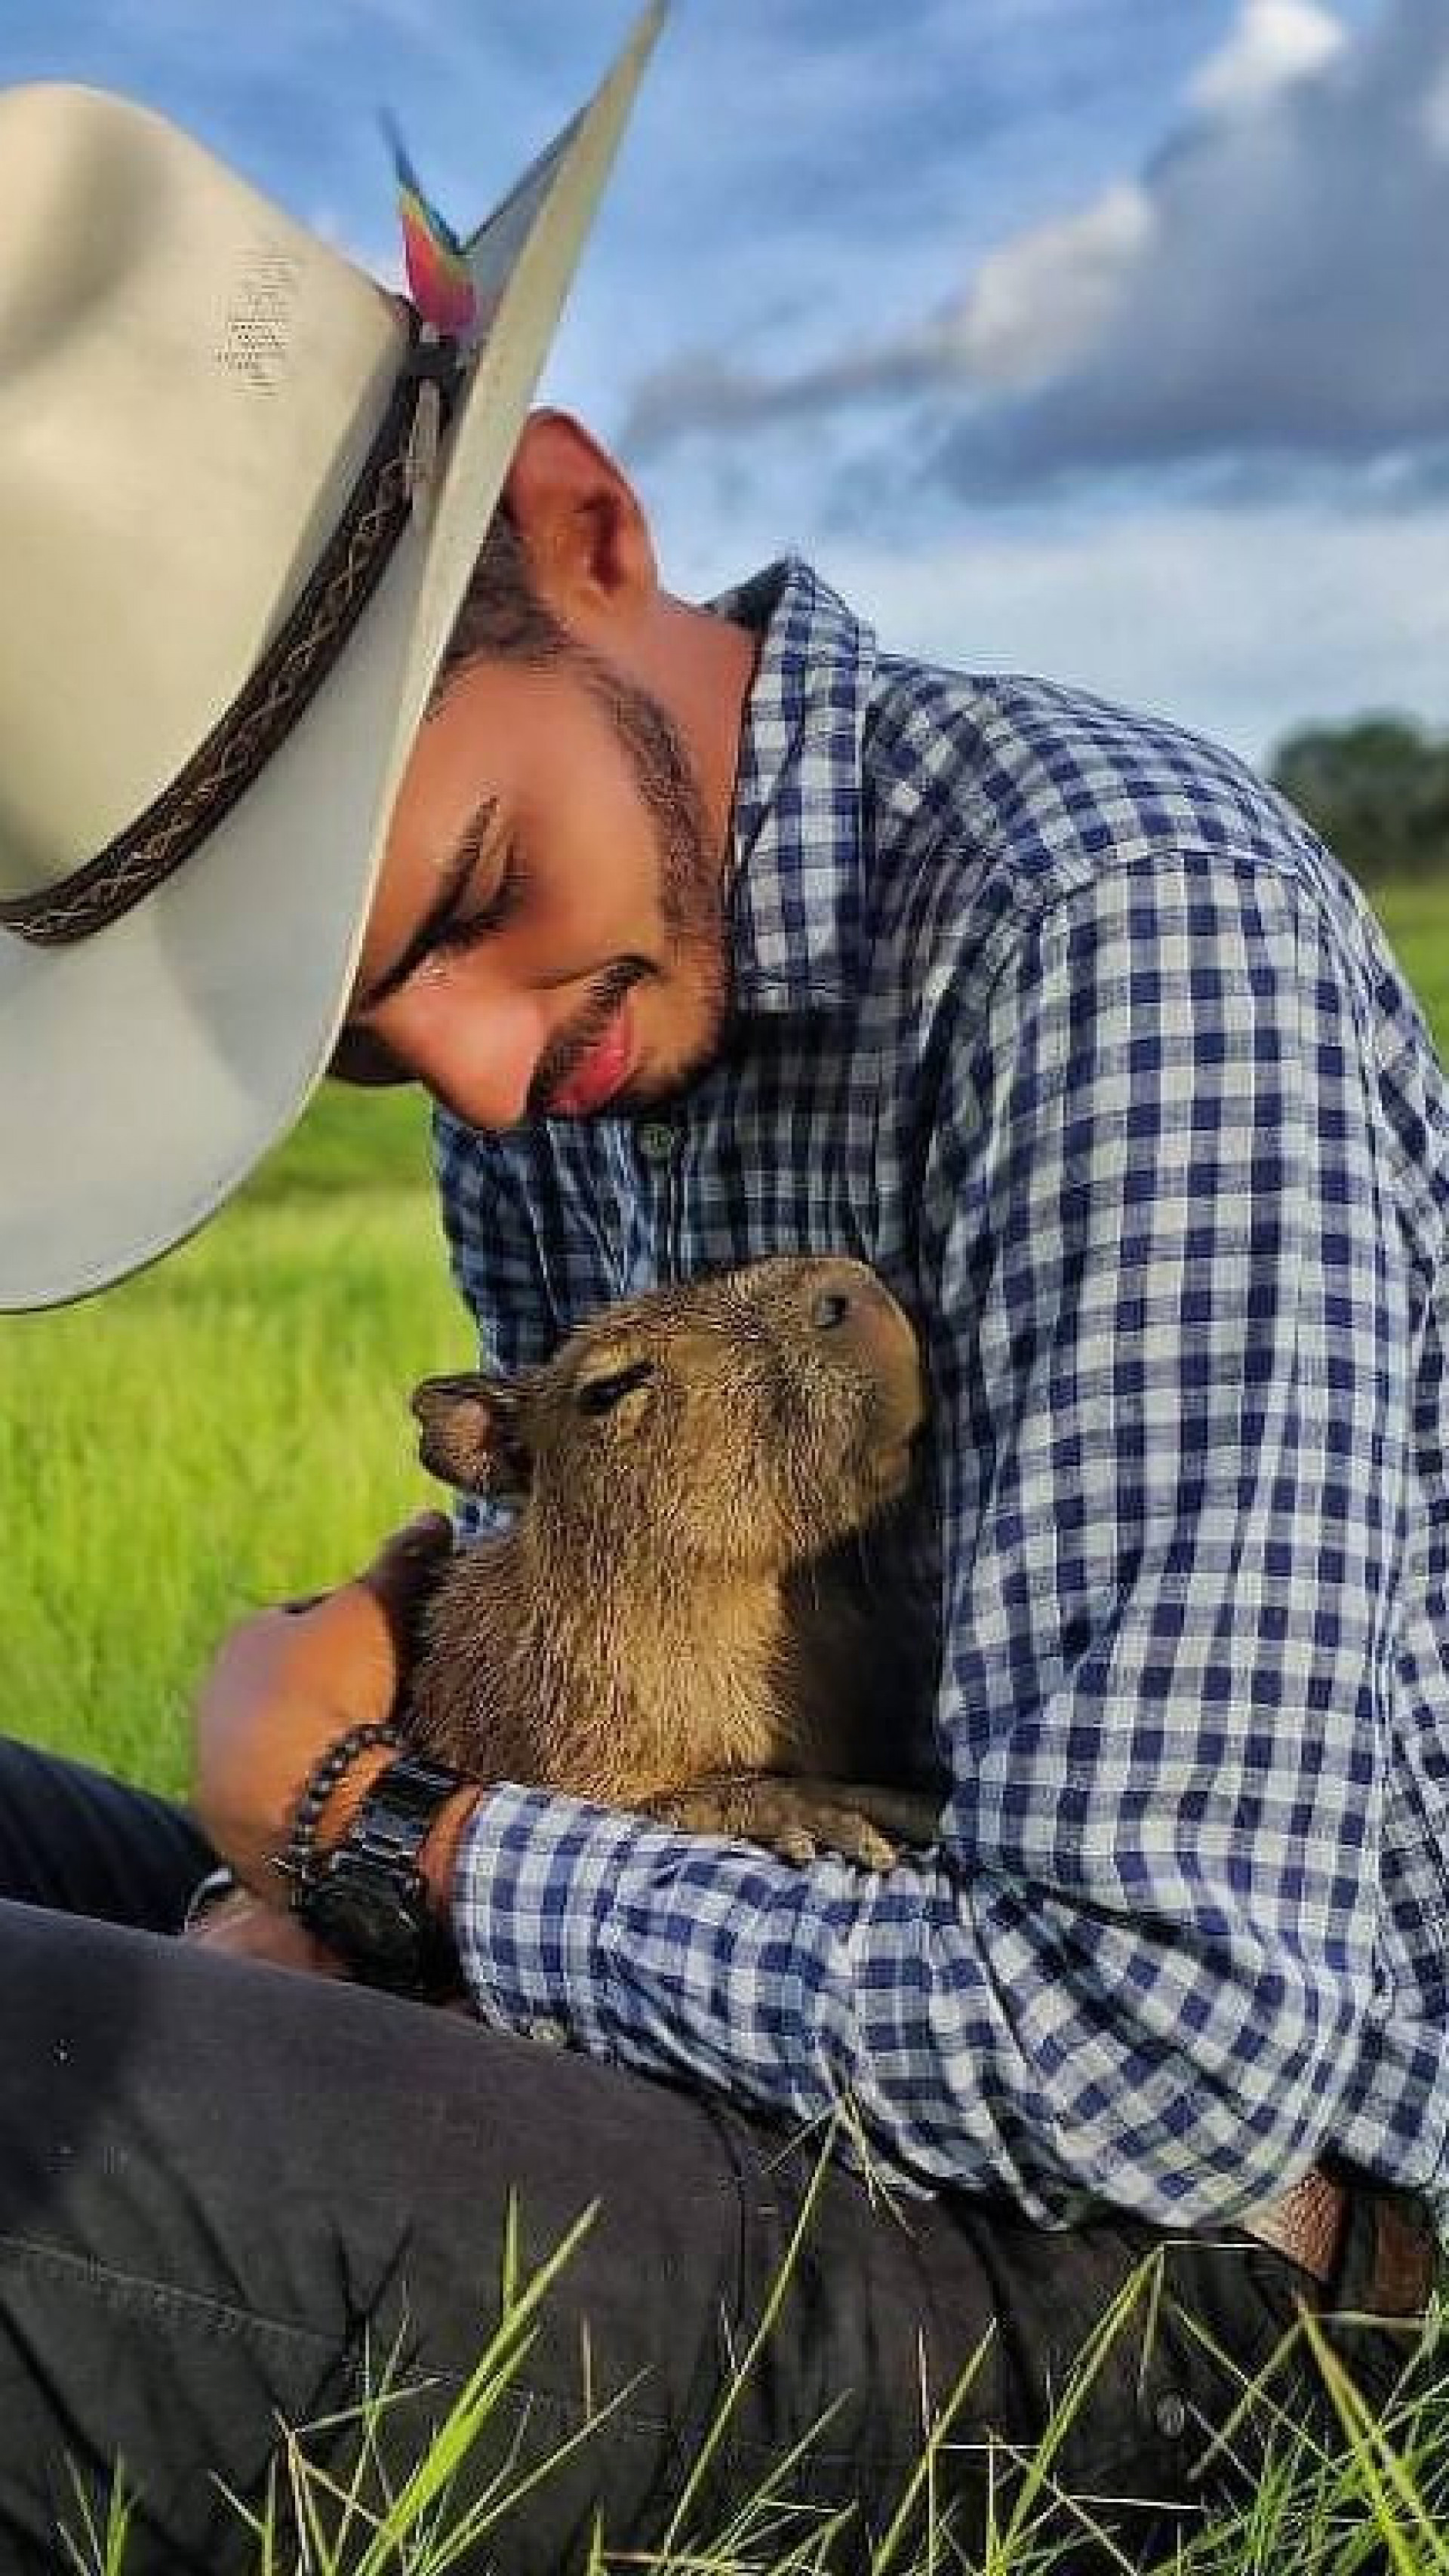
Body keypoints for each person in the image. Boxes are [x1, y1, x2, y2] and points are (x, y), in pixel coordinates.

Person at [0, 23, 1444, 2576]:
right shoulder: (551, 1061)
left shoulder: (1118, 934)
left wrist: (376, 1843)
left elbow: (1174, 2062)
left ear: (581, 525)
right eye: (357, 1045)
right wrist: (312, 1860)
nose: (476, 1074)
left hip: (1174, 2275)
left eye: (467, 898)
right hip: (737, 2063)